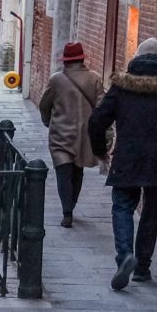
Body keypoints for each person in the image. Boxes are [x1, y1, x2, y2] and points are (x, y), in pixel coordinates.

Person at [88, 37, 157, 291]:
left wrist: (100, 151)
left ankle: (125, 256)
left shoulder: (122, 86)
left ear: (136, 58)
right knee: (150, 211)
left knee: (122, 207)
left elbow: (97, 121)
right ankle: (143, 267)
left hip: (127, 157)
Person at [37, 42, 103, 227]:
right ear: (82, 59)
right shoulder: (94, 79)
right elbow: (102, 107)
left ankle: (67, 211)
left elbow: (44, 105)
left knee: (63, 172)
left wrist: (47, 120)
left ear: (65, 61)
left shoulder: (56, 80)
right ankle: (71, 205)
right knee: (77, 171)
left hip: (60, 135)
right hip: (84, 135)